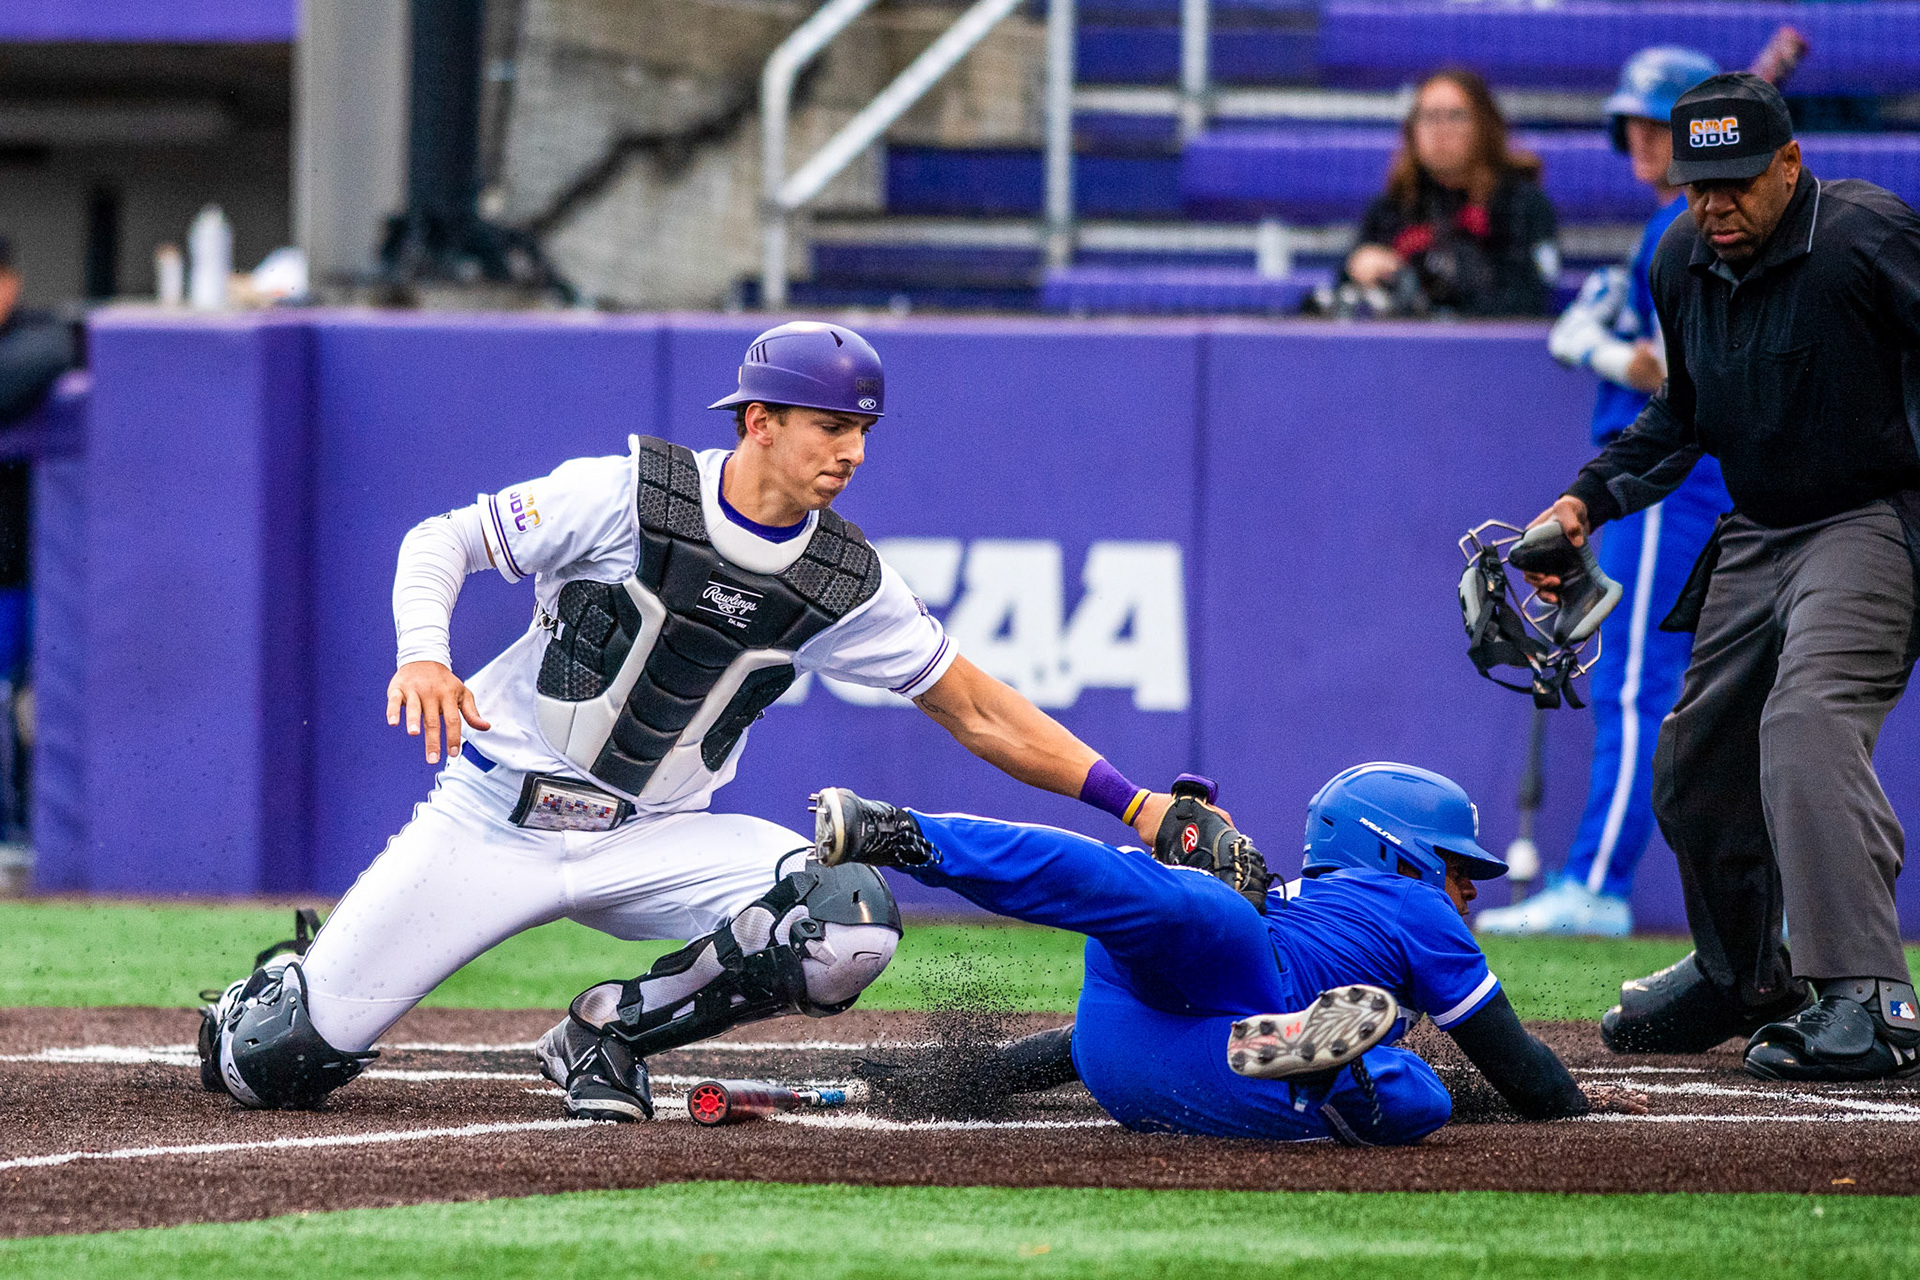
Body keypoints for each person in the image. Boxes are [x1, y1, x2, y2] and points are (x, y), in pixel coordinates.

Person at [196, 321, 1181, 1118]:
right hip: (495, 816)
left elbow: (979, 710)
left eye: (864, 429)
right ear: (759, 420)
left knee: (847, 927)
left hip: (657, 836)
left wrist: (1136, 804)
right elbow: (441, 539)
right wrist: (424, 651)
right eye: (829, 425)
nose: (852, 450)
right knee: (272, 1065)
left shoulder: (845, 577)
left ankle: (606, 1030)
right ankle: (285, 981)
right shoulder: (629, 491)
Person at [1524, 73, 1920, 1082]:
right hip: (1759, 524)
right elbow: (1680, 416)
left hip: (1872, 517)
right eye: (1701, 184)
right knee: (1695, 760)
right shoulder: (1681, 257)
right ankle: (1745, 972)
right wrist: (1583, 501)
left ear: (1791, 164)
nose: (1716, 205)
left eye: (1738, 182)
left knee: (1807, 724)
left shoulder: (1865, 239)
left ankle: (1867, 994)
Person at [811, 764, 1640, 1145]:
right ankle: (1312, 1062)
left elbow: (1071, 1048)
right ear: (1403, 852)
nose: (1471, 889)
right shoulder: (1416, 905)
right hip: (1235, 1040)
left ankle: (911, 835)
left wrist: (967, 1080)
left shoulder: (1299, 901)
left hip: (1121, 1054)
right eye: (1460, 866)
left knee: (1145, 896)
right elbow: (1516, 1064)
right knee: (1410, 1093)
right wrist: (1573, 1104)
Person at [1478, 47, 1729, 938]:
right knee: (1670, 688)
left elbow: (1671, 370)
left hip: (1664, 484)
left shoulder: (1683, 226)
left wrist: (1589, 343)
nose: (1638, 140)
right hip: (1667, 480)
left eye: (1655, 124)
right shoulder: (1675, 222)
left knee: (1634, 687)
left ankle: (1598, 884)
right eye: (1633, 123)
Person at [1337, 69, 1558, 317]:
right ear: (1412, 130)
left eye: (1456, 116)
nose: (1440, 129)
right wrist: (1358, 267)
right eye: (1429, 116)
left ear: (1484, 127)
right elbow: (1343, 293)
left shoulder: (1522, 204)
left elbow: (1528, 302)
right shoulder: (1393, 206)